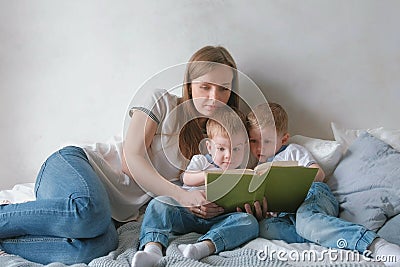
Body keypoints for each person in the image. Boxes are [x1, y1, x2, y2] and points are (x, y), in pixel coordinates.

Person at [0, 45, 241, 265]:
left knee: (97, 247)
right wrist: (182, 195)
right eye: (205, 87)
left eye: (223, 90)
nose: (213, 98)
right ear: (189, 85)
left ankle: (5, 242)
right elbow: (131, 160)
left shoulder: (218, 145)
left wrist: (243, 206)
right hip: (75, 165)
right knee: (90, 212)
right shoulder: (161, 101)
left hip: (111, 214)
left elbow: (207, 192)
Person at [244, 102, 400, 266]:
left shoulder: (292, 151)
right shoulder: (257, 168)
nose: (259, 147)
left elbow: (318, 173)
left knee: (307, 221)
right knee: (264, 228)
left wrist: (291, 184)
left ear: (283, 139)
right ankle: (327, 234)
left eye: (266, 141)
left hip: (313, 196)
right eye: (253, 141)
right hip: (288, 214)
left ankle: (375, 245)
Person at [132, 108, 258, 267]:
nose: (229, 155)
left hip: (220, 219)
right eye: (221, 148)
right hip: (188, 214)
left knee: (249, 222)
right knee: (159, 203)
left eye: (236, 149)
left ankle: (201, 248)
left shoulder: (242, 172)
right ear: (209, 147)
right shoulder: (201, 161)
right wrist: (206, 176)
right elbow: (186, 177)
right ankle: (152, 250)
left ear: (245, 147)